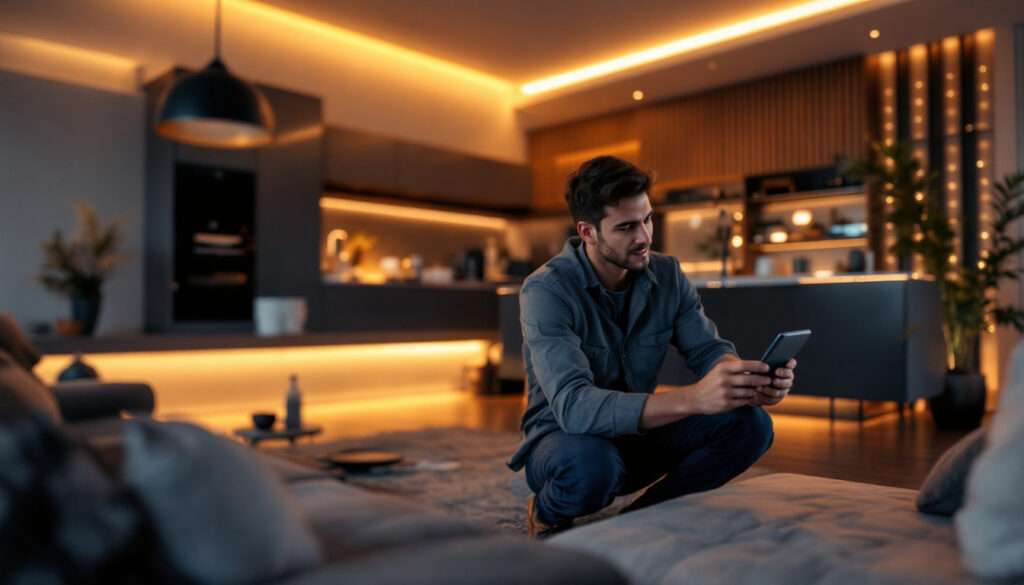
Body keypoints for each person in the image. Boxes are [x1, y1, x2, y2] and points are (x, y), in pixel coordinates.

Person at [508, 156, 796, 537]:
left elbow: (708, 350)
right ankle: (545, 509)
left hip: (638, 435)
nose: (643, 236)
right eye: (626, 226)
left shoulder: (667, 274)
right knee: (591, 471)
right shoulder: (547, 290)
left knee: (752, 426)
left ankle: (645, 514)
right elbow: (575, 408)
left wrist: (741, 381)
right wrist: (694, 399)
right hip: (565, 441)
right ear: (588, 231)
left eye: (647, 219)